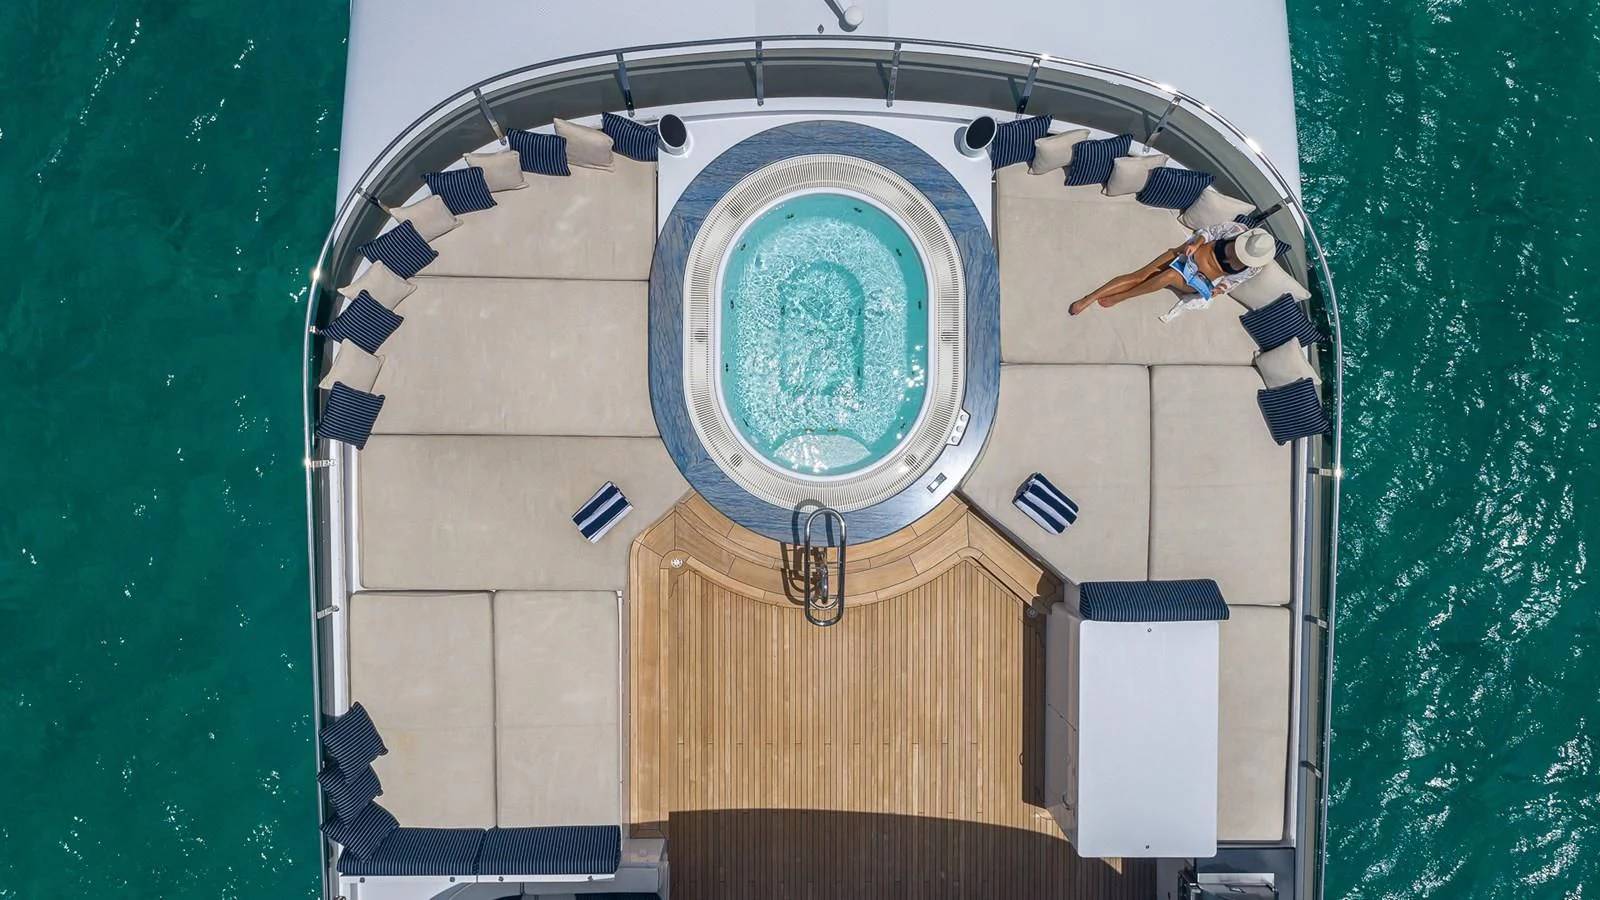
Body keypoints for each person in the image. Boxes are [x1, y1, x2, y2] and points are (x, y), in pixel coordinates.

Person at [1068, 223, 1277, 321]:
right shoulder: (1237, 231)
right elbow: (1209, 232)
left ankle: (1122, 296)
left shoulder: (1254, 268)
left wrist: (1218, 290)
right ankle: (1090, 297)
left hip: (1195, 278)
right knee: (1140, 274)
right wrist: (1197, 244)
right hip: (1186, 256)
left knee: (1167, 276)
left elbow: (1232, 282)